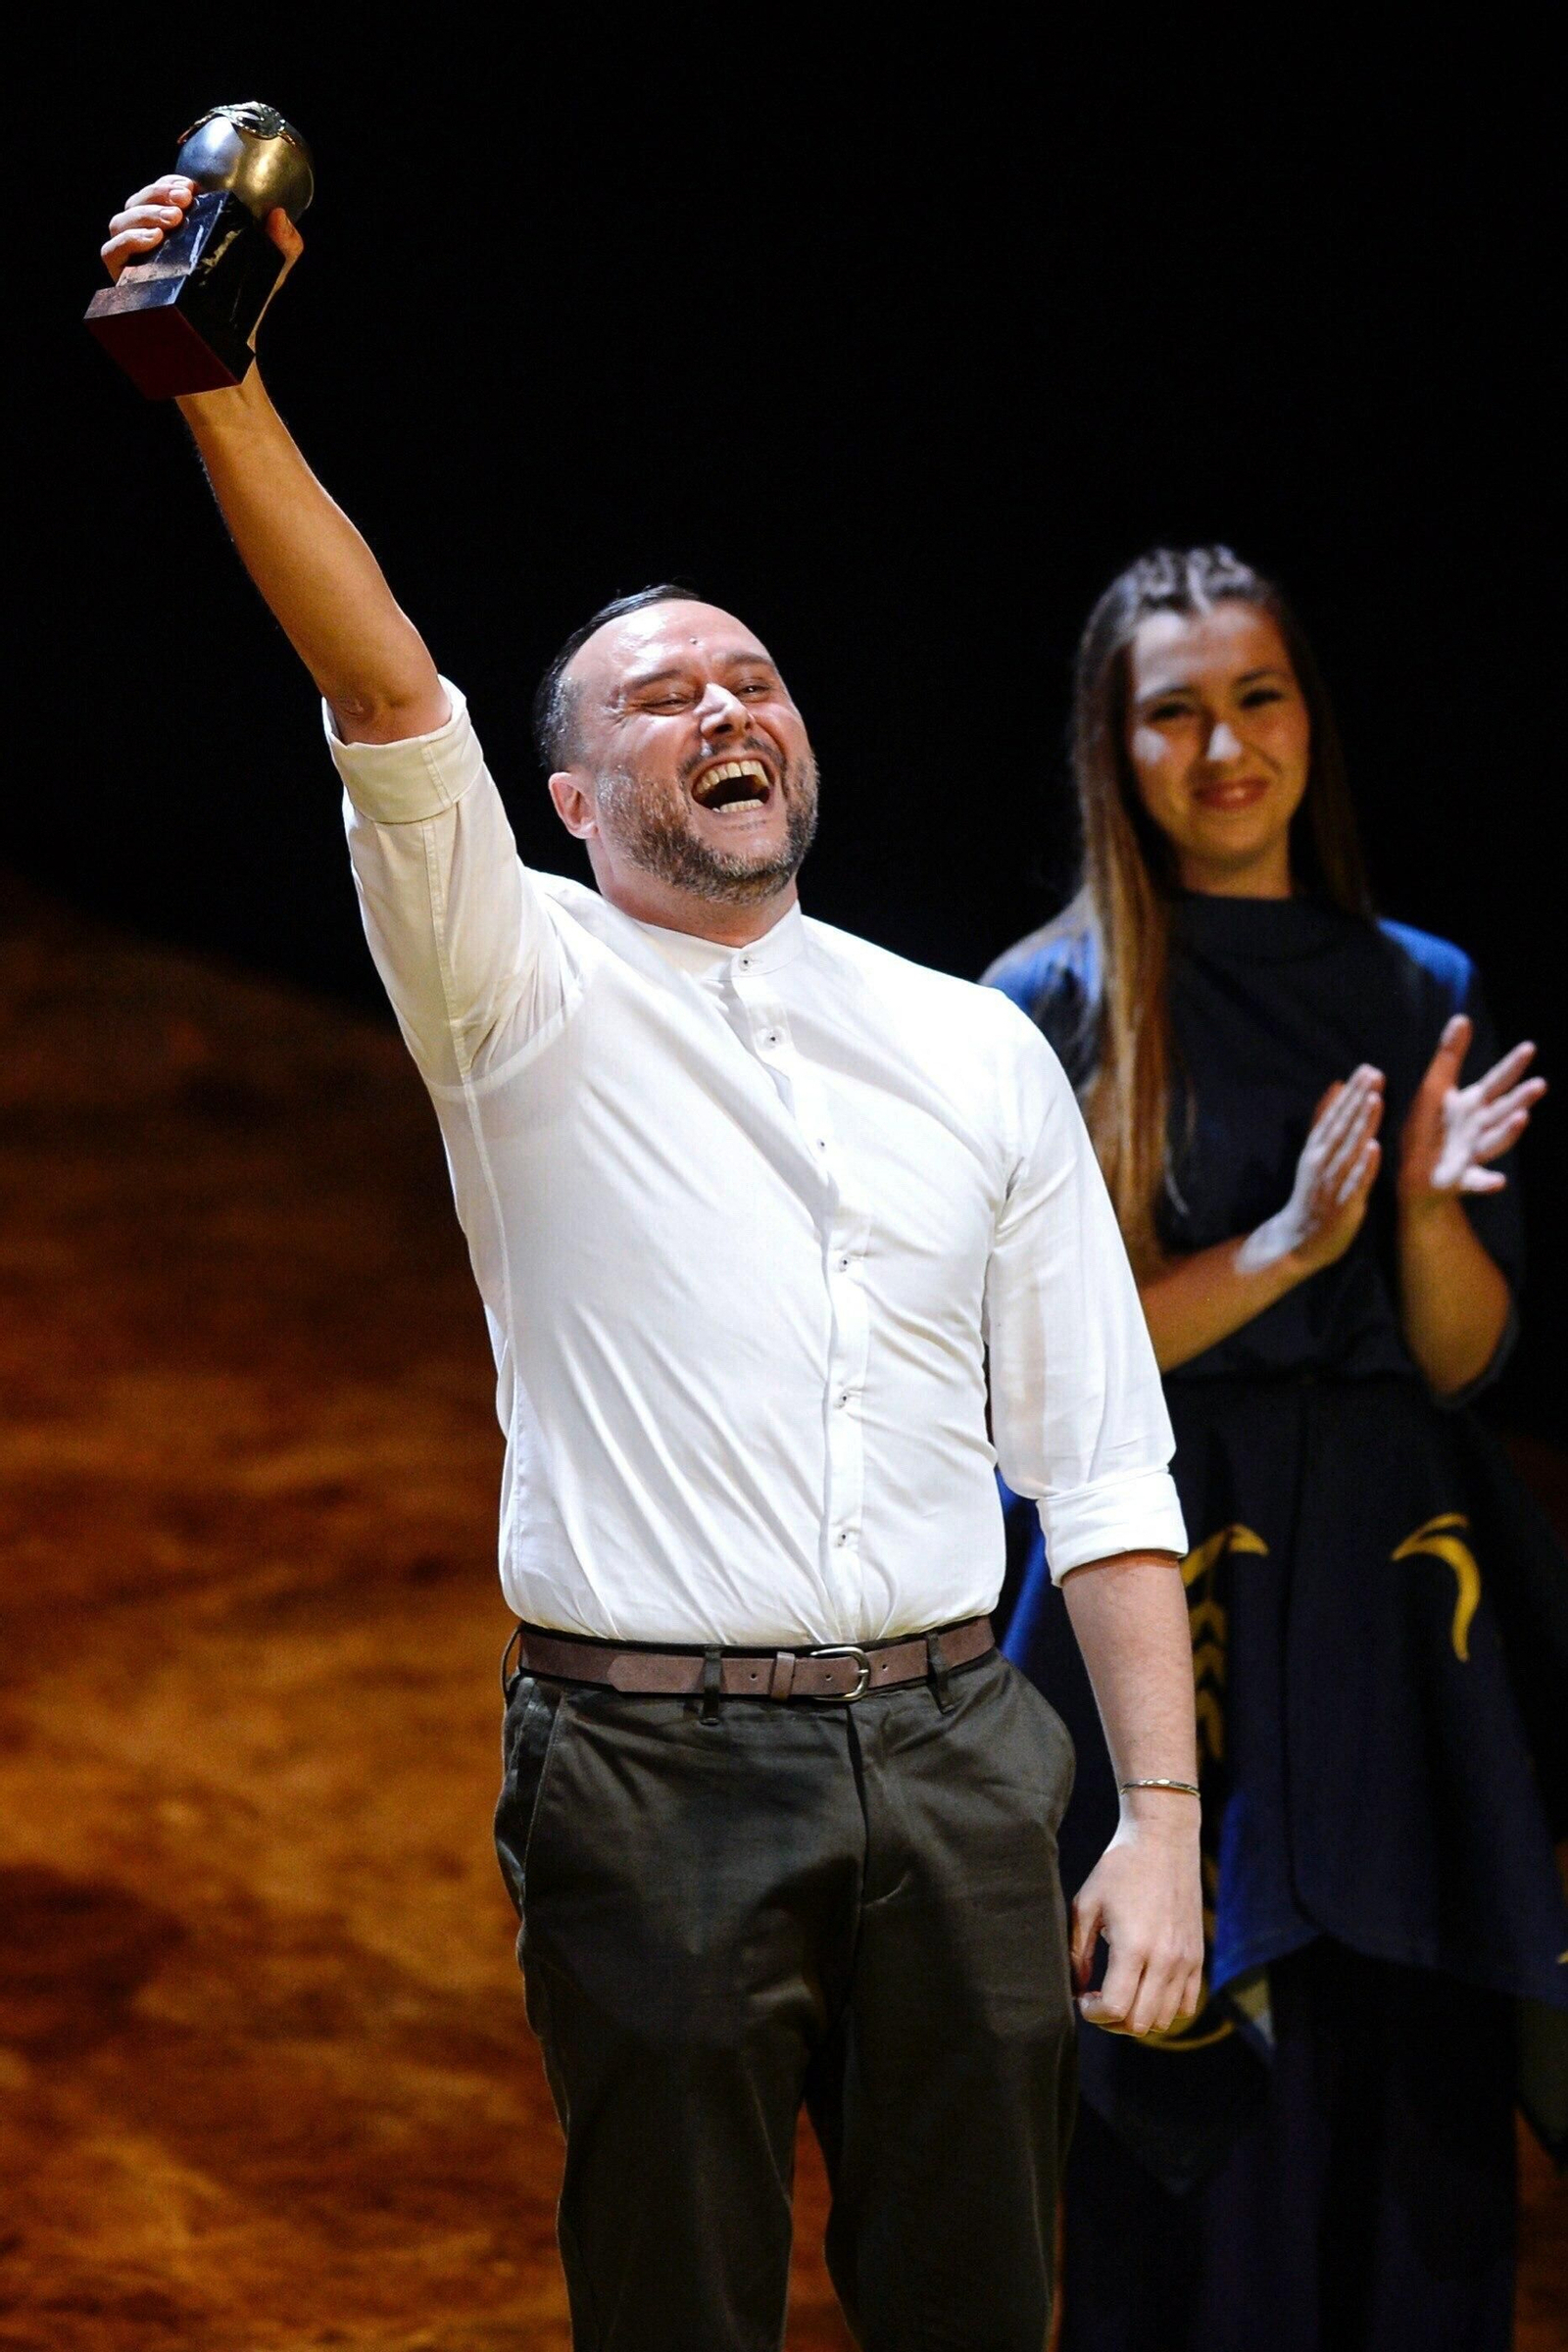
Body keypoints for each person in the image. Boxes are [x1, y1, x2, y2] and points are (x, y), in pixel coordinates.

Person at [97, 181, 1206, 2352]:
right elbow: (379, 683)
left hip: (965, 1752)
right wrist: (212, 386)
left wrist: (1156, 1821)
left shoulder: (970, 1041)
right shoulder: (512, 988)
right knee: (674, 2313)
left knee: (985, 2312)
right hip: (650, 1773)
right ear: (572, 792)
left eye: (754, 677)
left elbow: (1100, 1462)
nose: (725, 706)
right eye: (662, 692)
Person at [986, 544, 1568, 2352]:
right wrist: (1286, 1258)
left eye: (1259, 698)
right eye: (1175, 712)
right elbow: (1039, 1387)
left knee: (1419, 2102)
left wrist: (1423, 1226)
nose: (1224, 745)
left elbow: (1461, 1361)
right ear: (1117, 743)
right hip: (1178, 1584)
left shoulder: (1419, 982)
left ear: (1309, 718)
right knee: (1189, 2123)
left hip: (1402, 1609)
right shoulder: (1047, 1006)